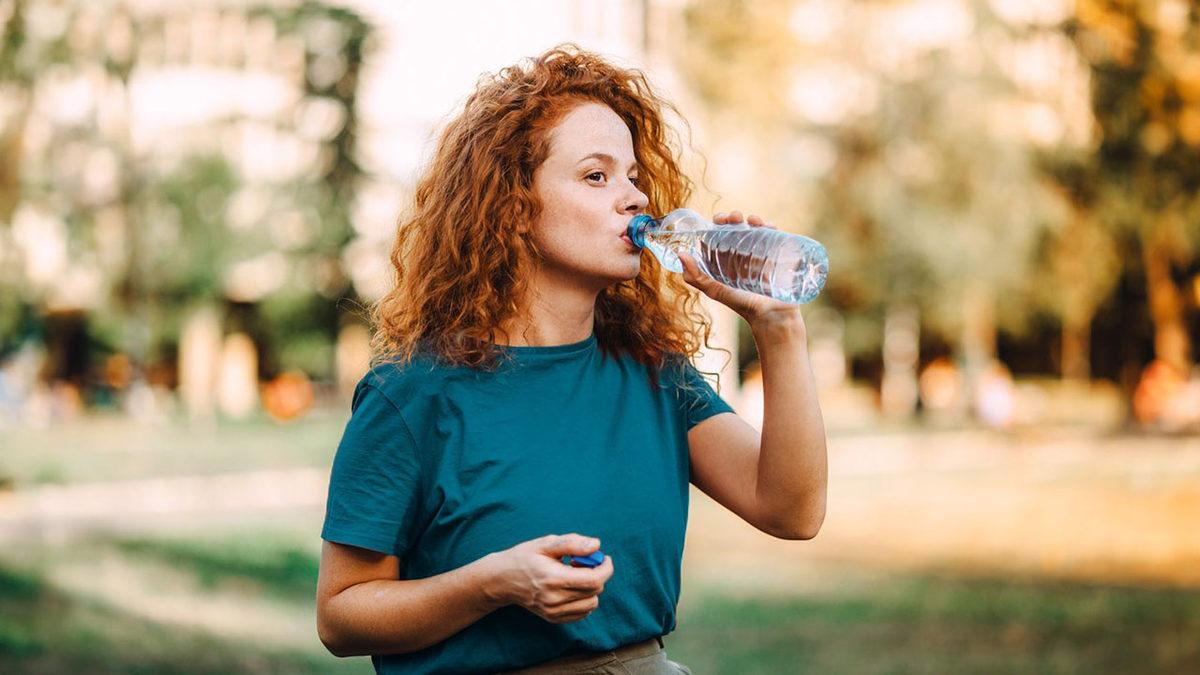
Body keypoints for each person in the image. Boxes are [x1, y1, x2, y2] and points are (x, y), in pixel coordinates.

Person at [315, 44, 828, 674]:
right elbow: (341, 617)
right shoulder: (414, 395)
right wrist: (490, 584)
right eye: (596, 175)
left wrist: (780, 330)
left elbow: (792, 510)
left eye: (634, 176)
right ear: (515, 210)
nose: (635, 198)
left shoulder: (652, 373)